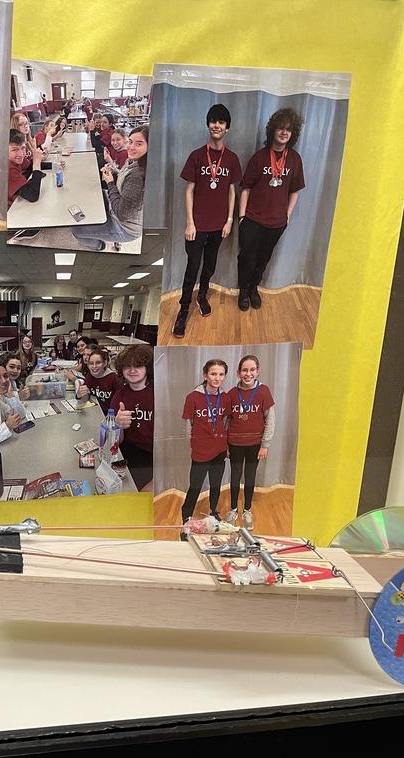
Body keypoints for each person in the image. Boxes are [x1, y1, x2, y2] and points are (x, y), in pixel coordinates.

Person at [174, 104, 242, 338]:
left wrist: (230, 220)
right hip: (198, 225)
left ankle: (202, 295)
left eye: (221, 122)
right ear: (208, 125)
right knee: (192, 268)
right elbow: (189, 190)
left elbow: (233, 192)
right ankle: (183, 309)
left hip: (219, 226)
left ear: (227, 128)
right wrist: (190, 223)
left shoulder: (232, 159)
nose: (217, 125)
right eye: (213, 121)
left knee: (210, 265)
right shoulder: (196, 156)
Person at [236, 107, 306, 312]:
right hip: (252, 220)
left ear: (292, 134)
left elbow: (295, 191)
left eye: (289, 129)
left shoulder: (294, 159)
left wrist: (287, 214)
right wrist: (242, 218)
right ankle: (242, 292)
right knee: (246, 259)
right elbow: (246, 188)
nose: (284, 132)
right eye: (281, 128)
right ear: (273, 130)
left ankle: (253, 289)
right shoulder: (259, 157)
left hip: (276, 223)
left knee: (263, 259)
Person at [73, 125, 148, 252]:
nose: (131, 147)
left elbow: (122, 214)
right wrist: (112, 169)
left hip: (125, 227)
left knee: (77, 231)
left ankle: (99, 246)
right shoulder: (133, 161)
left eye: (139, 144)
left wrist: (110, 183)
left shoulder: (137, 177)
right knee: (97, 193)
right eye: (131, 142)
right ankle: (97, 220)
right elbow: (123, 179)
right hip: (119, 205)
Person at [224, 355, 275, 530]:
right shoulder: (231, 394)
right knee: (235, 476)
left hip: (255, 444)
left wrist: (265, 444)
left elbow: (270, 419)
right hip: (236, 443)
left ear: (258, 371)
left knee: (250, 476)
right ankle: (233, 510)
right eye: (244, 370)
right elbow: (227, 421)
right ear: (238, 373)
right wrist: (226, 445)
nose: (248, 374)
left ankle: (247, 510)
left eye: (252, 370)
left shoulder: (264, 391)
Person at [181, 359, 230, 525]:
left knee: (216, 484)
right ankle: (186, 515)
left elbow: (225, 421)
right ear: (205, 375)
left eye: (221, 374)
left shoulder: (225, 397)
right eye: (213, 374)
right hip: (201, 449)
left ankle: (213, 511)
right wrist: (193, 443)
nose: (217, 378)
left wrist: (224, 442)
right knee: (195, 484)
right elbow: (188, 425)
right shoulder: (193, 397)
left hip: (219, 448)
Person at [113, 344, 154, 491]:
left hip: (153, 455)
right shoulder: (120, 395)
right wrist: (117, 425)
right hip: (128, 450)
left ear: (147, 368)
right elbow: (117, 441)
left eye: (138, 365)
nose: (132, 370)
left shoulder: (159, 393)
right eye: (127, 366)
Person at [74, 347, 119, 414]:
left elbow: (119, 401)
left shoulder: (113, 378)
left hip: (110, 415)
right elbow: (85, 398)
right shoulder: (89, 376)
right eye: (91, 363)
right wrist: (79, 395)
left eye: (98, 363)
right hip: (96, 412)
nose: (94, 366)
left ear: (105, 363)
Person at [0, 360, 21, 444]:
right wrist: (7, 426)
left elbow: (19, 415)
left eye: (5, 376)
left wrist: (10, 395)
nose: (4, 381)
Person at [8, 129, 45, 208]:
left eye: (23, 148)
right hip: (10, 212)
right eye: (15, 150)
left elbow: (30, 166)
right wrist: (37, 164)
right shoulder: (8, 168)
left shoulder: (16, 159)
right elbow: (32, 195)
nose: (21, 154)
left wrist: (55, 164)